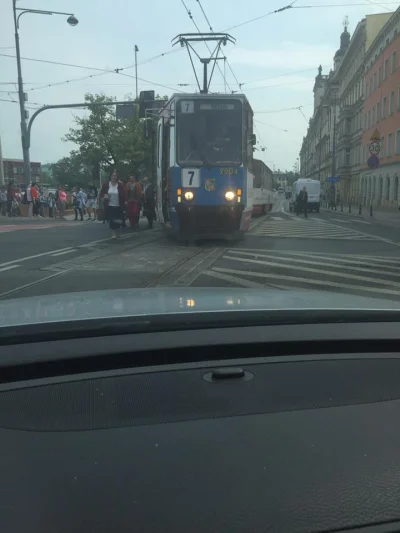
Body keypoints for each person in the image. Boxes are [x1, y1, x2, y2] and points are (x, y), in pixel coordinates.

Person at [99, 171, 127, 239]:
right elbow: (101, 193)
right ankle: (114, 233)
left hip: (118, 205)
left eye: (115, 176)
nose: (114, 177)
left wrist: (125, 201)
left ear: (117, 177)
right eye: (113, 175)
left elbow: (124, 194)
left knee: (118, 220)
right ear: (110, 177)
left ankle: (118, 232)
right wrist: (104, 196)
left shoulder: (119, 185)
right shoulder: (106, 184)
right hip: (110, 205)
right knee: (112, 220)